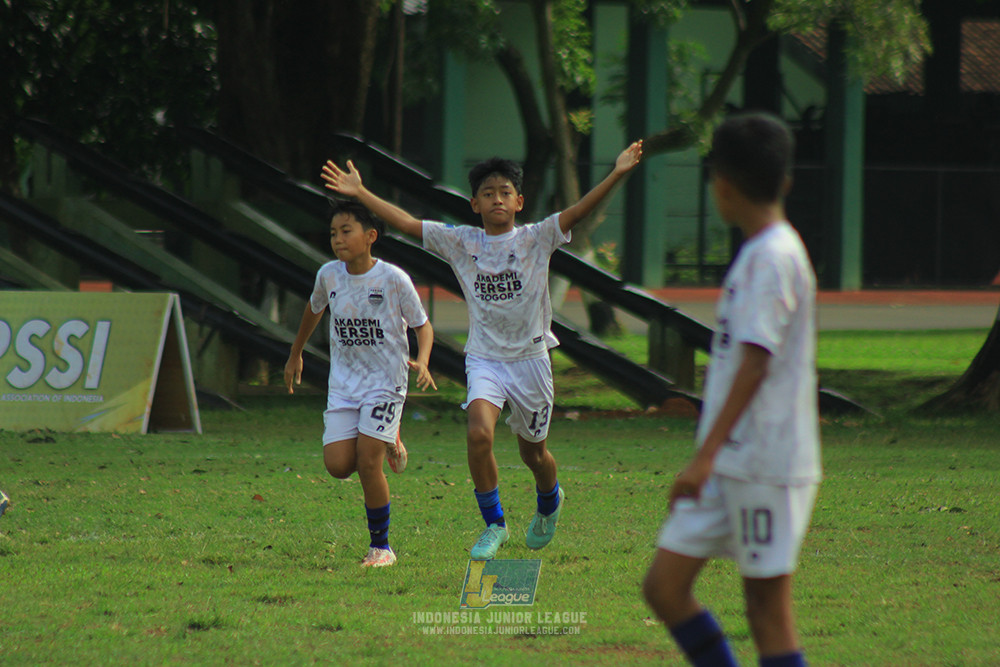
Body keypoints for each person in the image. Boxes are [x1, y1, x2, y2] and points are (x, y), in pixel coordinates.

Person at [321, 141, 643, 560]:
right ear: (475, 204)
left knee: (534, 454)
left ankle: (550, 499)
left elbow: (579, 211)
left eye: (505, 192)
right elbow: (406, 222)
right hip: (485, 359)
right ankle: (495, 524)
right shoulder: (461, 242)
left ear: (519, 201)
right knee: (478, 433)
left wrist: (617, 172)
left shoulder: (536, 238)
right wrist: (360, 192)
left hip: (531, 361)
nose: (497, 199)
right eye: (488, 193)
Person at [642, 112, 821, 667]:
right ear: (785, 181)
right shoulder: (759, 252)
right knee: (664, 586)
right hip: (730, 461)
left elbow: (755, 362)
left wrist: (704, 455)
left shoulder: (775, 257)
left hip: (765, 463)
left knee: (767, 611)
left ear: (720, 185)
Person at [284, 200, 436, 568]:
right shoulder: (328, 276)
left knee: (369, 463)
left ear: (370, 236)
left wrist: (424, 360)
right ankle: (388, 437)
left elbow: (423, 326)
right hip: (345, 383)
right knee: (338, 465)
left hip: (386, 382)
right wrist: (295, 353)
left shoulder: (393, 279)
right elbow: (314, 309)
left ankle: (381, 547)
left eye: (346, 231)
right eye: (333, 233)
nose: (337, 239)